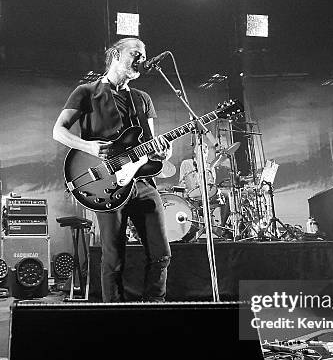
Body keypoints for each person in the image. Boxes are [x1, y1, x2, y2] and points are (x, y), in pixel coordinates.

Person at [53, 37, 172, 302]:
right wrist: (89, 147)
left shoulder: (143, 99)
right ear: (116, 55)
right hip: (106, 182)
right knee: (114, 256)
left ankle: (155, 307)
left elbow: (151, 144)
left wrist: (163, 150)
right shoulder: (86, 91)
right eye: (135, 54)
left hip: (142, 183)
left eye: (143, 55)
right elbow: (58, 130)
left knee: (161, 254)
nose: (141, 59)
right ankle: (114, 314)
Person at [179, 142, 230, 236]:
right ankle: (195, 229)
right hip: (193, 195)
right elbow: (182, 183)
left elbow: (212, 185)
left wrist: (215, 191)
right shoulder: (186, 163)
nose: (204, 152)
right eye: (201, 150)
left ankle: (221, 228)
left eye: (205, 151)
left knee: (227, 195)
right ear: (195, 151)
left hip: (208, 195)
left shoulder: (210, 166)